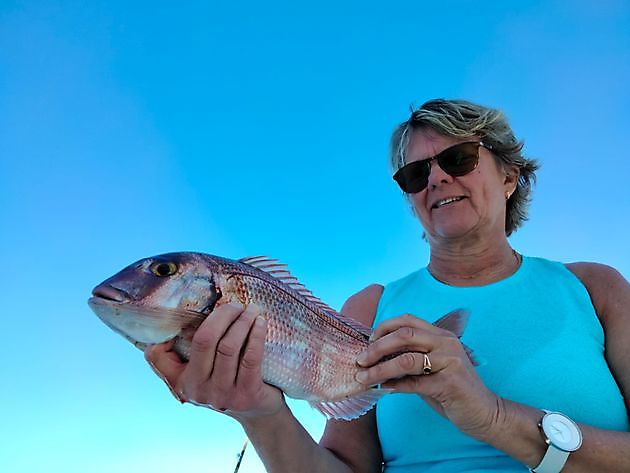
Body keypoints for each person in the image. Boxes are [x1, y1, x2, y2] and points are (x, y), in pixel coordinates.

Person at [145, 99, 630, 472]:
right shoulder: (372, 305)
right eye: (416, 173)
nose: (436, 178)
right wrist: (259, 413)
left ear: (510, 176)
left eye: (459, 158)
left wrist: (493, 418)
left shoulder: (594, 287)